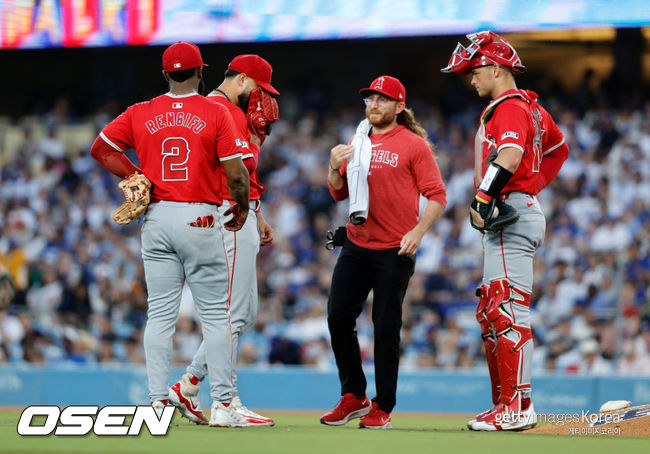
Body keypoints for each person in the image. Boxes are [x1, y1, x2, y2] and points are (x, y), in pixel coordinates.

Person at [90, 41, 251, 427]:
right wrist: (242, 206)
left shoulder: (140, 111)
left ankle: (158, 403)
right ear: (201, 71)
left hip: (157, 217)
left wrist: (134, 176)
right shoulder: (215, 111)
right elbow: (235, 173)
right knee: (215, 316)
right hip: (199, 214)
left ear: (165, 74)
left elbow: (101, 148)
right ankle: (224, 405)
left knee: (159, 314)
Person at [441, 30, 569, 431]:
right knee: (493, 310)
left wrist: (486, 195)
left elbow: (511, 154)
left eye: (475, 71)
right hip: (516, 207)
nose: (472, 79)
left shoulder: (509, 105)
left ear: (495, 68)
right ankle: (508, 404)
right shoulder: (532, 108)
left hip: (509, 213)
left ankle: (515, 408)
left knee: (506, 309)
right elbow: (558, 149)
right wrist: (530, 188)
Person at [321, 76, 447, 429]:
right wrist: (333, 167)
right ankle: (354, 396)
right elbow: (338, 193)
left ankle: (383, 406)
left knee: (385, 326)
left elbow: (438, 195)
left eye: (382, 99)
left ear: (399, 106)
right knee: (337, 318)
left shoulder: (414, 145)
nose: (373, 105)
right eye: (370, 99)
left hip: (395, 249)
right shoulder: (358, 140)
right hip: (358, 244)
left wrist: (418, 232)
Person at [168, 54, 279, 427]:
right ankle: (226, 402)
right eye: (261, 90)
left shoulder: (207, 109)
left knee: (243, 312)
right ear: (243, 80)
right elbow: (240, 173)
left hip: (229, 212)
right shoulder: (224, 111)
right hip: (228, 213)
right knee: (230, 313)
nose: (263, 100)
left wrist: (259, 214)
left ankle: (189, 383)